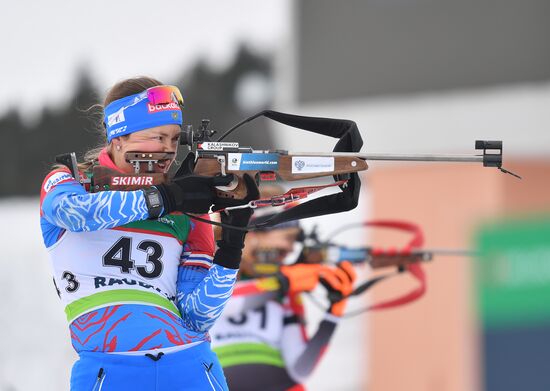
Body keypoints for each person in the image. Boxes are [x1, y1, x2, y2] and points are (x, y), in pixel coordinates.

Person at [39, 77, 257, 390]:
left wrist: (232, 246)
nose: (168, 151)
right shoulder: (70, 181)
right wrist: (163, 199)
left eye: (174, 139)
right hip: (109, 370)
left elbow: (197, 317)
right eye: (158, 137)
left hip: (190, 365)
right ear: (119, 138)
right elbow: (72, 213)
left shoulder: (187, 209)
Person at [209, 185, 357, 391]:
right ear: (254, 234)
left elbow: (301, 369)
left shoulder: (285, 288)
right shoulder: (210, 268)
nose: (290, 249)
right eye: (288, 238)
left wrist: (333, 313)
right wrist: (281, 284)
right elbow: (217, 305)